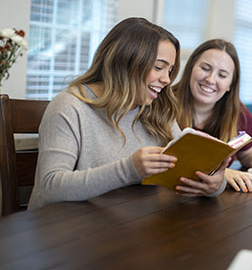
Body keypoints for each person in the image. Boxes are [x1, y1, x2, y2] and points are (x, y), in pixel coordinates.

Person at [28, 17, 227, 210]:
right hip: (66, 230)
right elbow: (50, 188)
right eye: (159, 67)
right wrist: (129, 170)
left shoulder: (158, 110)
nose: (167, 79)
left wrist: (215, 185)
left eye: (170, 70)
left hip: (129, 226)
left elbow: (187, 173)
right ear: (127, 61)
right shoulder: (70, 106)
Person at [173, 39, 252, 193]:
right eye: (205, 68)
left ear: (230, 85)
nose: (210, 80)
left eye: (222, 75)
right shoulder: (164, 104)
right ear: (191, 68)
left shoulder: (239, 115)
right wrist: (223, 173)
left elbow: (251, 152)